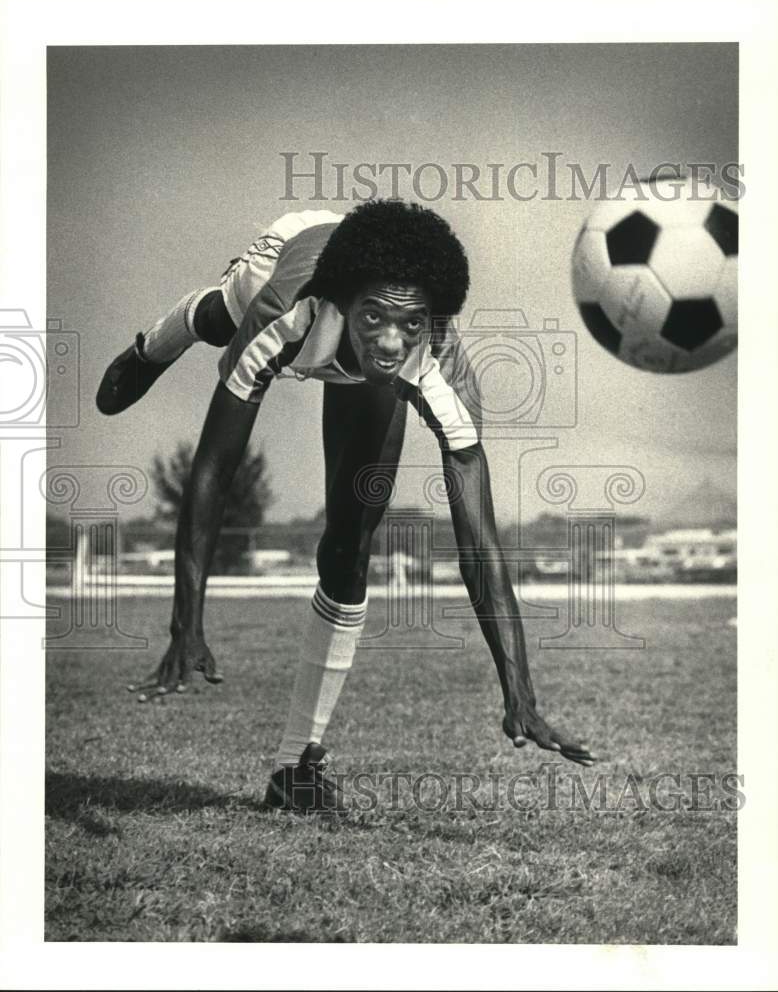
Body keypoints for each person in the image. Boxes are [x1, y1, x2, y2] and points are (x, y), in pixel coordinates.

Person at [97, 200, 595, 812]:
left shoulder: (437, 361)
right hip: (293, 253)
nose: (391, 343)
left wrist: (520, 691)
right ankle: (158, 341)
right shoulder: (289, 314)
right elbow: (214, 469)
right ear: (343, 303)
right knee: (227, 314)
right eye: (376, 318)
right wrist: (186, 622)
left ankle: (293, 771)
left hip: (344, 354)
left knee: (350, 549)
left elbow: (479, 545)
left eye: (410, 324)